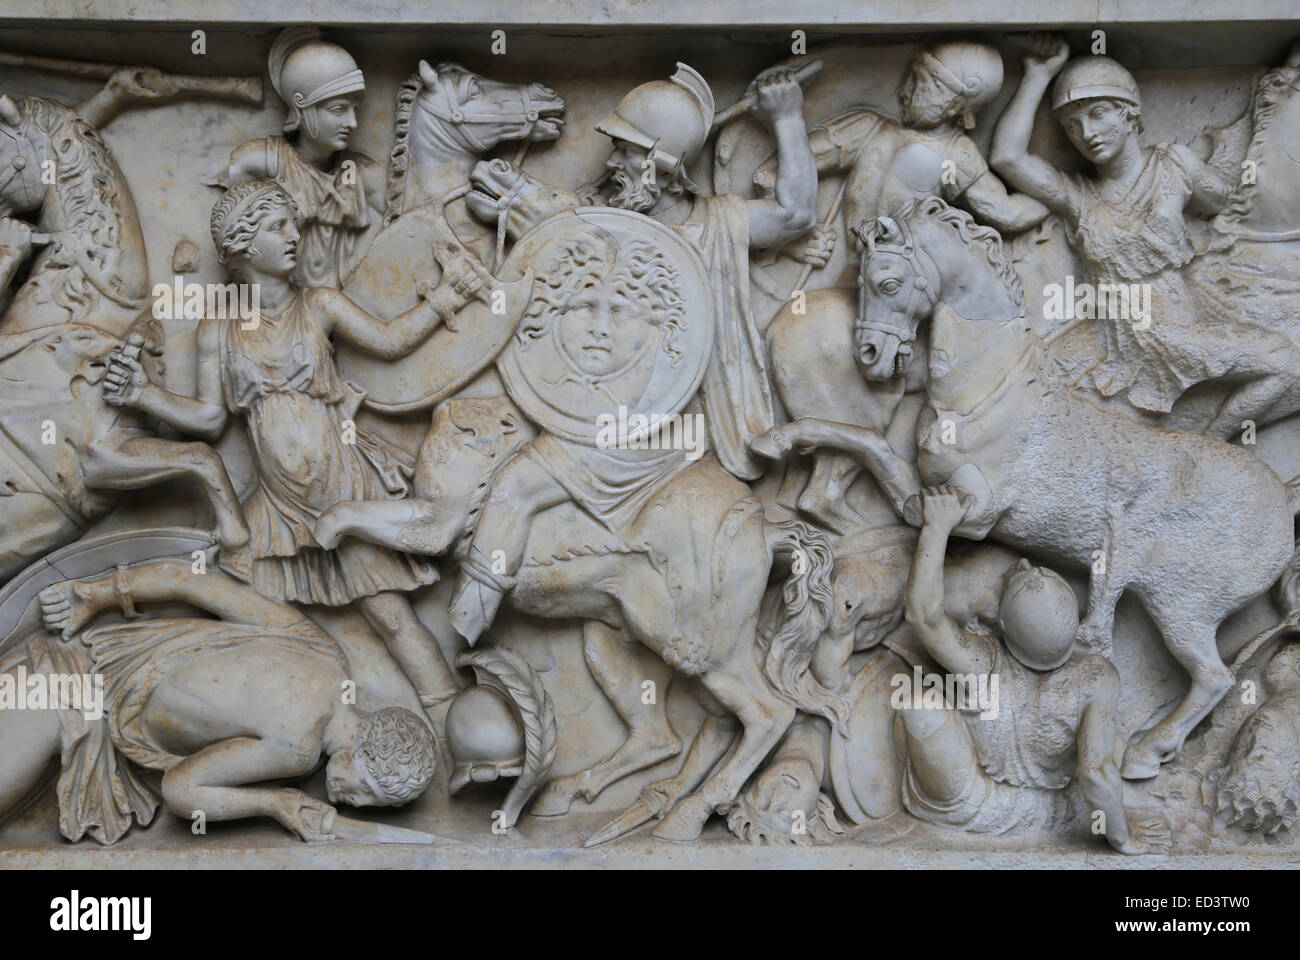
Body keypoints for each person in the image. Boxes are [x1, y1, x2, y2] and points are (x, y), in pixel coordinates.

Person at [103, 179, 490, 715]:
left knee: (391, 616)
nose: (294, 236)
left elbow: (389, 340)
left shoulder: (321, 305)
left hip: (341, 486)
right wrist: (143, 394)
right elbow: (211, 418)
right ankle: (303, 710)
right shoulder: (220, 328)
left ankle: (449, 712)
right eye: (276, 226)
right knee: (260, 614)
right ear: (242, 245)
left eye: (294, 223)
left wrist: (448, 295)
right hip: (280, 506)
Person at [467, 62, 818, 484]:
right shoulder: (593, 214)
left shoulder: (717, 224)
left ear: (662, 164)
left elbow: (796, 215)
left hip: (673, 428)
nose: (613, 160)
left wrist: (788, 117)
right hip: (587, 407)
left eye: (625, 149)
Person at [0, 559, 436, 844]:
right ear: (364, 753)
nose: (349, 805)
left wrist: (97, 595)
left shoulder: (325, 651)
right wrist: (276, 803)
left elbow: (193, 582)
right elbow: (180, 789)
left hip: (83, 651)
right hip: (68, 705)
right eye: (367, 795)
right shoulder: (298, 751)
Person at [991, 36, 1299, 438]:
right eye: (1071, 125)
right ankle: (1212, 446)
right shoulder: (1079, 196)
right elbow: (1006, 158)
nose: (1087, 133)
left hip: (1178, 326)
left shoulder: (1175, 164)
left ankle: (1214, 441)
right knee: (1286, 365)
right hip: (1121, 337)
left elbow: (1226, 204)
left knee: (1286, 365)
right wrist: (1037, 76)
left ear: (1129, 112)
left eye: (1098, 114)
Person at [448, 230, 696, 643]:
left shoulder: (660, 362)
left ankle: (468, 619)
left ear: (653, 316)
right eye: (583, 307)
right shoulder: (565, 373)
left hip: (641, 436)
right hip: (608, 426)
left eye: (620, 311)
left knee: (515, 487)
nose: (600, 328)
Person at [897, 485, 1169, 854]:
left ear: (1002, 627)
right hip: (1058, 810)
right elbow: (1095, 772)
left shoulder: (982, 658)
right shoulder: (1097, 676)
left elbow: (924, 617)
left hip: (975, 803)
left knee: (918, 704)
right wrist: (1122, 837)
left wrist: (937, 525)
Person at [753, 39, 1049, 251]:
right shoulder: (864, 129)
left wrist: (1068, 199)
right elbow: (768, 174)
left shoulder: (958, 155)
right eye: (910, 77)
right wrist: (795, 239)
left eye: (922, 84)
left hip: (911, 291)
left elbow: (1006, 213)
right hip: (847, 279)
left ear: (959, 108)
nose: (904, 92)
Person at [226, 27, 384, 288]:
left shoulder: (365, 174)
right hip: (280, 308)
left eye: (355, 109)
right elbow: (235, 244)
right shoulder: (259, 162)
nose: (352, 122)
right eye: (338, 110)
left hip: (347, 305)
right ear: (301, 105)